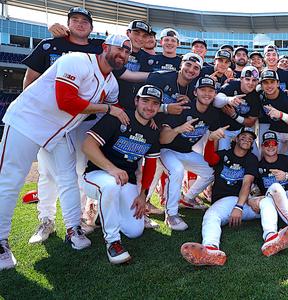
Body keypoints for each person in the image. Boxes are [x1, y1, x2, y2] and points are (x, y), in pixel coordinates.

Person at [0, 34, 131, 270]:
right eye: (119, 48)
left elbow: (117, 110)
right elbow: (66, 101)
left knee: (70, 179)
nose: (123, 54)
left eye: (127, 51)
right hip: (27, 121)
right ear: (104, 47)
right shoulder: (77, 60)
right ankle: (0, 241)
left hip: (59, 131)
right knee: (10, 180)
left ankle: (73, 229)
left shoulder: (111, 82)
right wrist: (109, 108)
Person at [180, 128, 288, 266]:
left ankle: (271, 238)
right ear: (236, 139)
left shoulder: (251, 159)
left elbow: (247, 183)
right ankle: (211, 249)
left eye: (250, 139)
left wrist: (240, 205)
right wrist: (211, 139)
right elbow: (209, 158)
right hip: (224, 202)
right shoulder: (224, 154)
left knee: (266, 202)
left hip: (243, 201)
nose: (246, 140)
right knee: (211, 215)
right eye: (243, 137)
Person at [81, 84, 162, 264]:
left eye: (155, 103)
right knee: (111, 185)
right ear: (136, 101)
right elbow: (87, 146)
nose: (149, 107)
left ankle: (101, 214)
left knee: (135, 231)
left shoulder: (153, 131)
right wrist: (112, 169)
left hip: (126, 180)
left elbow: (150, 166)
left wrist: (143, 195)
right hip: (97, 175)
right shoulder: (118, 118)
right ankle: (113, 242)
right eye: (145, 101)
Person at [158, 76, 225, 230]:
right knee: (176, 170)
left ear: (215, 94)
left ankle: (187, 199)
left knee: (210, 171)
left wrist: (214, 139)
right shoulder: (184, 108)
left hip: (186, 151)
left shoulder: (212, 112)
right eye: (203, 90)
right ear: (195, 92)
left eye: (210, 90)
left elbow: (213, 136)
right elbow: (162, 139)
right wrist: (178, 129)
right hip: (167, 150)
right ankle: (171, 214)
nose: (207, 94)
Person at [259, 69, 288, 166]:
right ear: (261, 85)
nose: (269, 85)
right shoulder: (260, 95)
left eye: (272, 82)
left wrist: (281, 115)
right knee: (267, 156)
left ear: (278, 83)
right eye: (265, 82)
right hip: (276, 131)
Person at [213, 66, 261, 154]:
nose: (250, 83)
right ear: (241, 79)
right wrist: (228, 99)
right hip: (224, 130)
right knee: (221, 155)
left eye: (254, 80)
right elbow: (216, 101)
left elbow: (251, 122)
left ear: (257, 81)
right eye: (247, 79)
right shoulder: (232, 85)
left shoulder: (255, 97)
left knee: (256, 154)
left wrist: (234, 115)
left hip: (241, 130)